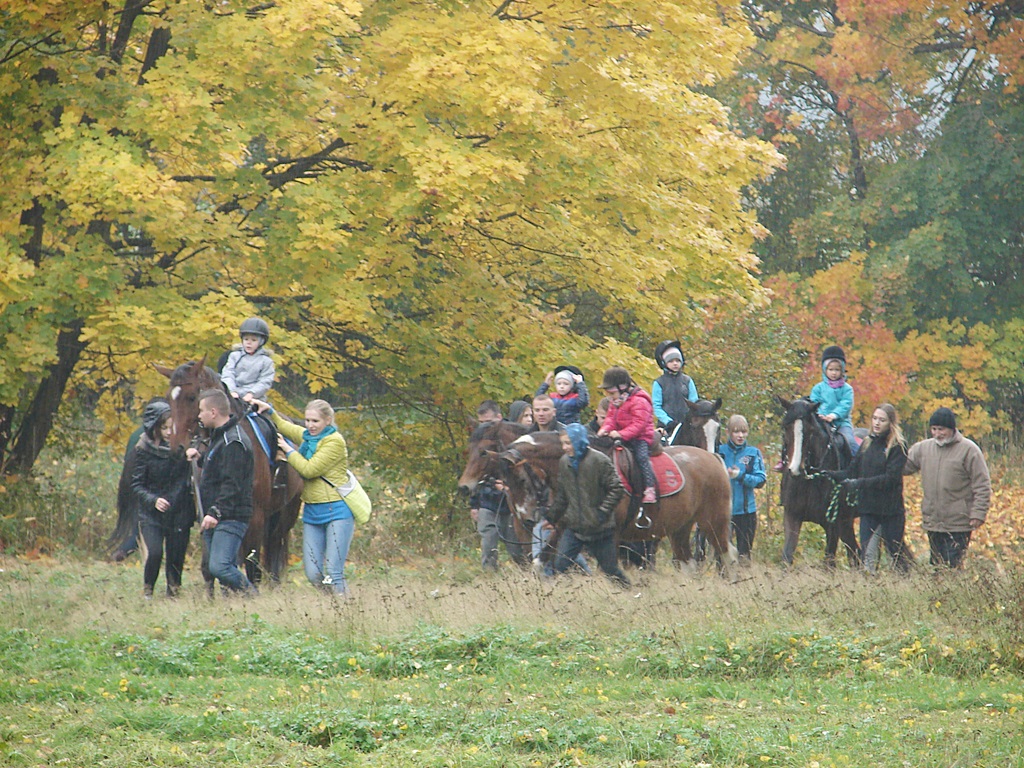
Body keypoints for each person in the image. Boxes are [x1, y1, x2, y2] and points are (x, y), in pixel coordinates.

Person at [253, 398, 355, 594]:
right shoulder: (308, 438)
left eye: (315, 421)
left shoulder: (334, 442)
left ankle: (345, 611)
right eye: (307, 420)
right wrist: (271, 411)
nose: (310, 425)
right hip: (313, 512)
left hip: (337, 511)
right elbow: (286, 427)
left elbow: (309, 470)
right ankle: (332, 603)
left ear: (327, 421)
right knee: (313, 573)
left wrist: (289, 451)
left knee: (333, 572)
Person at [185, 389, 256, 596]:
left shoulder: (233, 442)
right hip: (216, 515)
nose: (199, 415)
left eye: (201, 411)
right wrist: (200, 458)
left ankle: (252, 596)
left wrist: (215, 512)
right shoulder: (221, 437)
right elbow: (219, 465)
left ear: (213, 412)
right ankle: (234, 606)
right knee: (222, 567)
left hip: (229, 516)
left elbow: (232, 484)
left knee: (220, 567)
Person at [826, 403, 911, 573]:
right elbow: (852, 471)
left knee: (895, 555)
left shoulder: (897, 447)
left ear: (890, 423)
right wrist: (829, 474)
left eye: (882, 420)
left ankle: (904, 586)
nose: (877, 423)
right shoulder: (867, 443)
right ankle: (871, 590)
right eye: (875, 419)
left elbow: (890, 479)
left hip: (890, 512)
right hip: (869, 511)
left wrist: (859, 484)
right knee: (868, 557)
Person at [903, 407, 991, 569]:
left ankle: (954, 592)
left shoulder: (969, 450)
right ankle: (938, 593)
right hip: (933, 519)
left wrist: (978, 513)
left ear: (951, 429)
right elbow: (904, 467)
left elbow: (982, 484)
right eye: (934, 429)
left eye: (941, 429)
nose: (937, 434)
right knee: (936, 564)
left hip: (959, 521)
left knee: (952, 566)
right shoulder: (923, 448)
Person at [544, 424, 629, 586]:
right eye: (563, 443)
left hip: (600, 528)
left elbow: (617, 488)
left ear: (578, 441)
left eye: (568, 443)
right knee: (560, 565)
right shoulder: (564, 463)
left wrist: (602, 512)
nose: (565, 447)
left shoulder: (599, 460)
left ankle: (630, 593)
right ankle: (570, 597)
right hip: (575, 528)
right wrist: (551, 517)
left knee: (610, 570)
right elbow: (563, 495)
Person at [130, 401, 195, 597]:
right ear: (155, 427)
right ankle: (148, 589)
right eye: (164, 427)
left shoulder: (183, 448)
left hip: (179, 510)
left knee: (176, 555)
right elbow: (137, 485)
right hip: (152, 513)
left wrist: (192, 457)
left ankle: (174, 591)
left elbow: (189, 479)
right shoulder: (143, 449)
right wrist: (153, 500)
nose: (168, 432)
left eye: (171, 427)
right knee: (156, 552)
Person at [774, 344, 858, 471]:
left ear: (842, 371)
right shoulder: (818, 388)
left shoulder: (847, 389)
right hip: (821, 419)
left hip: (841, 423)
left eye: (837, 370)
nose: (834, 373)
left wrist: (833, 415)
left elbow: (845, 405)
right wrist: (822, 415)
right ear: (825, 370)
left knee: (850, 442)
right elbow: (814, 403)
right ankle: (786, 460)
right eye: (830, 369)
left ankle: (855, 465)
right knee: (799, 436)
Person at [598, 366, 657, 504]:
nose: (610, 397)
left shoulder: (640, 401)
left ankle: (649, 488)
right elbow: (610, 419)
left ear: (623, 387)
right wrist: (605, 429)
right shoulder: (616, 401)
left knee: (641, 457)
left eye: (612, 392)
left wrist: (620, 434)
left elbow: (639, 425)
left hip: (640, 437)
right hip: (621, 436)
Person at [717, 415, 765, 563]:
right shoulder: (719, 452)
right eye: (736, 432)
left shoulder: (753, 453)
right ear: (728, 433)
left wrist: (740, 475)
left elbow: (760, 480)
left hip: (746, 512)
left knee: (744, 555)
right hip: (722, 512)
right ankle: (721, 584)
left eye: (743, 432)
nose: (740, 435)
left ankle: (744, 583)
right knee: (722, 555)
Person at [221, 317, 276, 405]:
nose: (249, 343)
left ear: (261, 342)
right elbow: (228, 373)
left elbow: (265, 381)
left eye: (253, 340)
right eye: (246, 339)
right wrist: (231, 390)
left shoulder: (266, 361)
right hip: (232, 395)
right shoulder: (234, 356)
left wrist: (251, 393)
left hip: (254, 399)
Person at [652, 341, 698, 439]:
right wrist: (668, 421)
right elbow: (656, 406)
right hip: (666, 428)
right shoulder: (659, 383)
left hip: (687, 426)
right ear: (664, 363)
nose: (675, 363)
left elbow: (694, 402)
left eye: (677, 360)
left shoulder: (687, 381)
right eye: (671, 361)